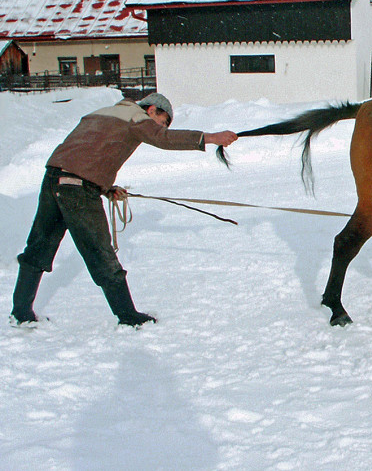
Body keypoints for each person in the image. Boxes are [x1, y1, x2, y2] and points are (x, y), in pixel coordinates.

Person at [10, 93, 238, 327]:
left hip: (54, 178)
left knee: (39, 246)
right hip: (78, 188)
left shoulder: (101, 113)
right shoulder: (136, 117)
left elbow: (89, 152)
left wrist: (106, 187)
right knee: (101, 253)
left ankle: (21, 312)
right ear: (151, 110)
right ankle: (128, 316)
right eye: (162, 121)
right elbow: (164, 139)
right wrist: (211, 137)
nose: (160, 126)